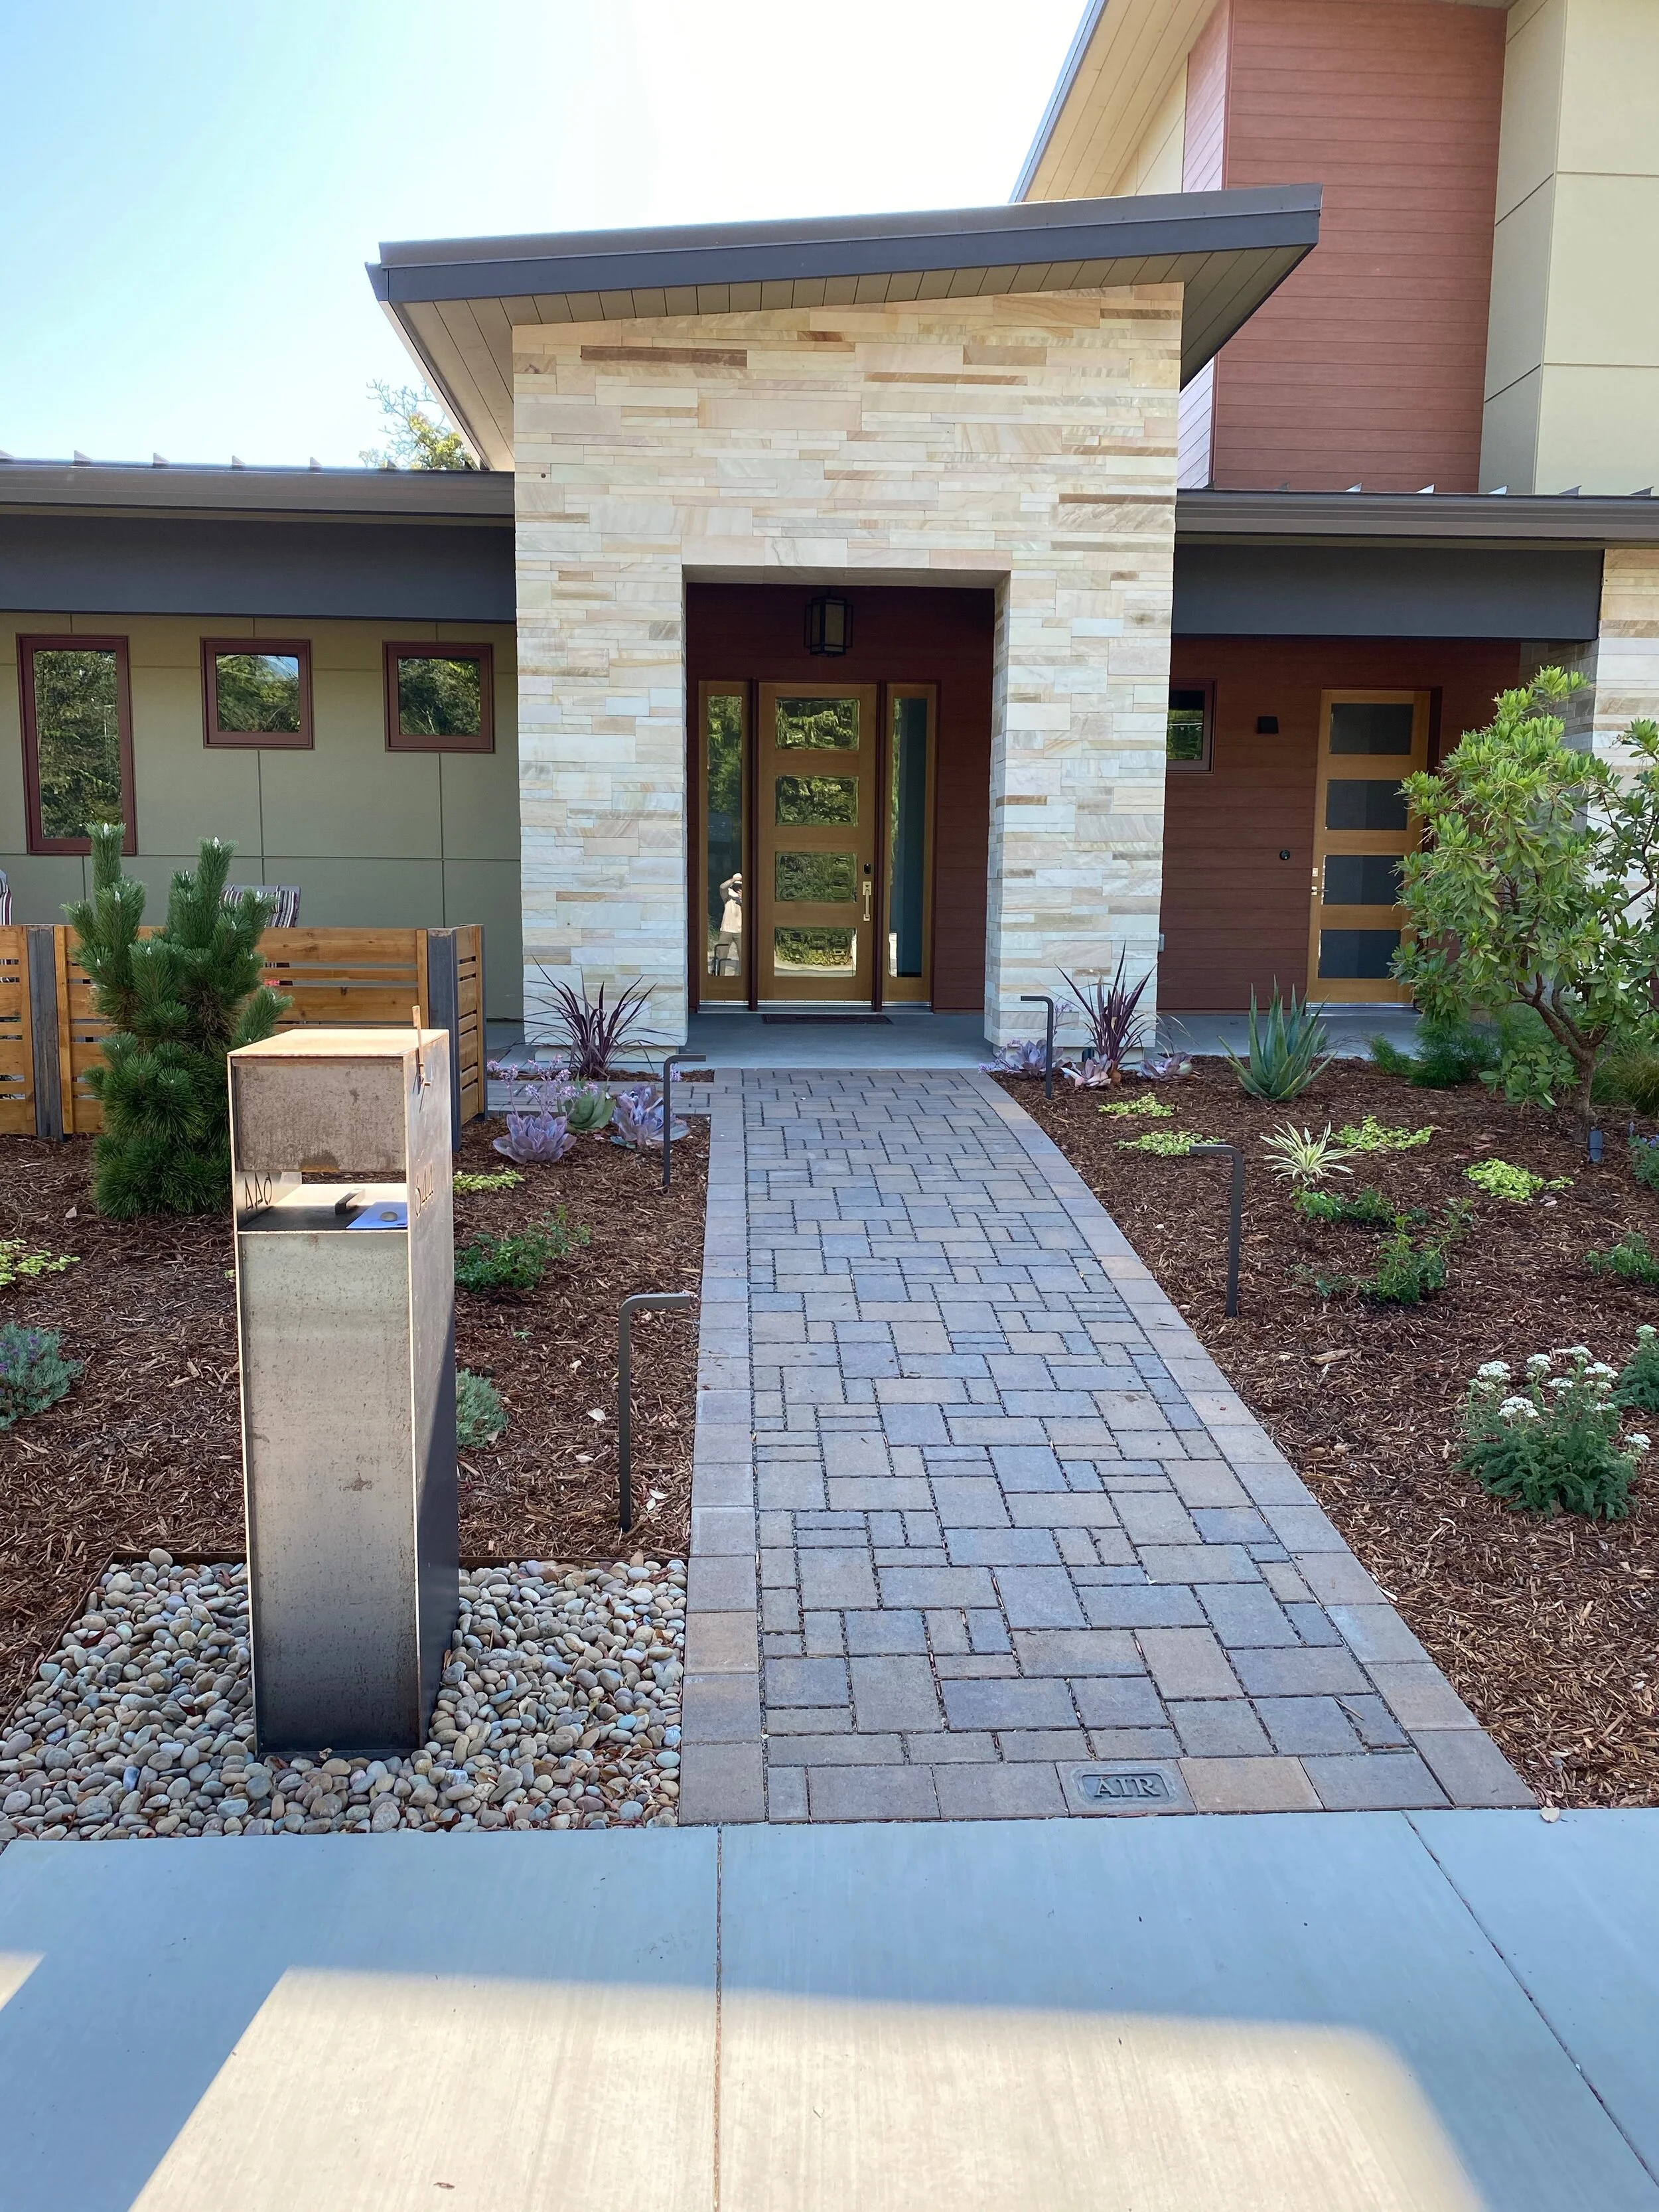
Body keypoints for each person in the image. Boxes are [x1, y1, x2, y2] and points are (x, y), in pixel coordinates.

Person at [712, 871, 743, 976]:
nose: (738, 888)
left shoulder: (747, 895)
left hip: (741, 931)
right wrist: (733, 879)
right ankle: (721, 978)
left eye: (740, 886)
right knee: (722, 956)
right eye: (737, 885)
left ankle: (739, 978)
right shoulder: (729, 894)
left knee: (744, 958)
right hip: (727, 930)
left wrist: (742, 899)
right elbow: (722, 887)